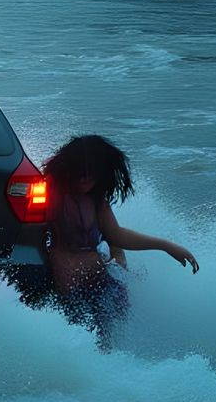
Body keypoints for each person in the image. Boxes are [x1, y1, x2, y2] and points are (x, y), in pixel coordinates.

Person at [41, 134, 198, 341]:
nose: (87, 180)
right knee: (81, 339)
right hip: (69, 285)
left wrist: (167, 246)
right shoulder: (50, 192)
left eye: (92, 175)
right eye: (81, 174)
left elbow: (116, 234)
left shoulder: (96, 199)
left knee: (115, 331)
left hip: (100, 280)